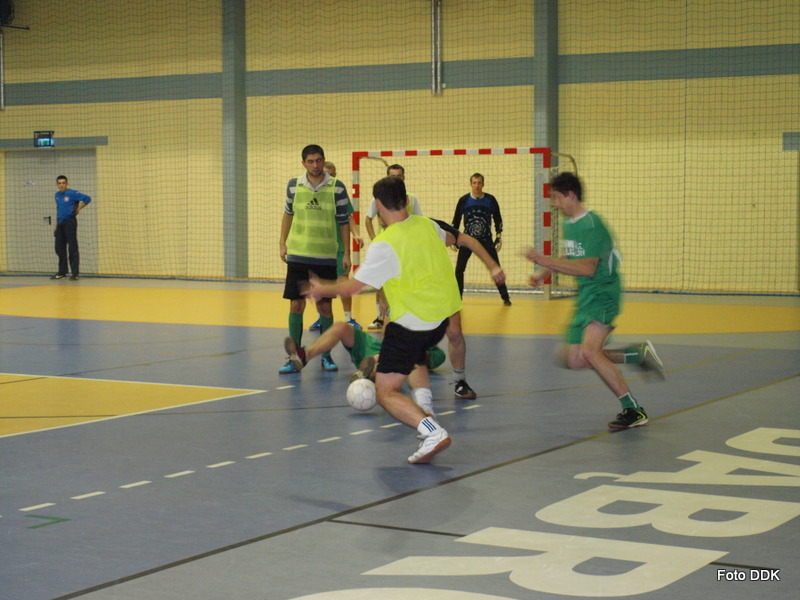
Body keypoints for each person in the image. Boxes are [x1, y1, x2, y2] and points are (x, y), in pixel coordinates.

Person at [304, 175, 505, 464]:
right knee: (416, 359)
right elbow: (460, 239)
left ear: (377, 205)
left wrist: (322, 288)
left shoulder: (385, 244)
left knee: (386, 392)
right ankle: (427, 411)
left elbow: (351, 288)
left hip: (412, 323)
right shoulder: (429, 225)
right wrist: (493, 266)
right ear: (407, 200)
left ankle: (431, 431)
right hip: (440, 319)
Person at [526, 172, 665, 430]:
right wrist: (543, 272)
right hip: (586, 296)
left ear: (571, 195)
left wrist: (545, 260)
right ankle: (636, 354)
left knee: (590, 352)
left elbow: (588, 268)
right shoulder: (570, 224)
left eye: (557, 198)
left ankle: (633, 409)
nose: (555, 204)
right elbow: (571, 255)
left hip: (603, 293)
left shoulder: (594, 225)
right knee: (575, 360)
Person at [279, 145, 351, 374]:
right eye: (310, 161)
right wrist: (282, 243)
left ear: (323, 160)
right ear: (303, 163)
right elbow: (288, 214)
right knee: (296, 305)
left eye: (319, 160)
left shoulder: (337, 187)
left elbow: (344, 222)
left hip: (325, 256)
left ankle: (326, 356)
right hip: (298, 254)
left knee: (325, 308)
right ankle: (293, 357)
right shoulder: (293, 185)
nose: (315, 165)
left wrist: (346, 253)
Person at [284, 322, 446, 386]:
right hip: (374, 347)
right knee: (341, 327)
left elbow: (422, 358)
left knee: (389, 359)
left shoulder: (436, 353)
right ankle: (305, 355)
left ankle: (368, 373)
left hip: (393, 357)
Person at [363, 164, 423, 330]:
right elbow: (368, 219)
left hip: (405, 248)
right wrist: (374, 239)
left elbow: (420, 221)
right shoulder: (378, 198)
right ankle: (380, 317)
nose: (395, 179)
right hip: (386, 247)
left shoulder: (411, 199)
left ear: (404, 178)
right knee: (381, 283)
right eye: (392, 176)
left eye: (399, 176)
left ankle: (407, 316)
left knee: (405, 282)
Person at [308, 161, 364, 332]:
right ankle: (321, 317)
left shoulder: (339, 190)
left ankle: (348, 318)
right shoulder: (312, 193)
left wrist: (356, 234)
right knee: (320, 283)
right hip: (320, 246)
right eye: (326, 173)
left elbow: (348, 216)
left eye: (331, 174)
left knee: (343, 281)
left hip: (339, 246)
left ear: (335, 174)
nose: (329, 176)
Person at [452, 173, 511, 305]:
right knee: (459, 269)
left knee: (496, 268)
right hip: (467, 239)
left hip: (486, 239)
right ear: (470, 184)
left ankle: (506, 298)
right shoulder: (463, 200)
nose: (477, 185)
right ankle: (457, 298)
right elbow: (456, 219)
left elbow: (498, 219)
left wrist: (499, 235)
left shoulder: (490, 200)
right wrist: (454, 237)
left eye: (479, 183)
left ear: (483, 184)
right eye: (474, 183)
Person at [51, 175, 91, 281]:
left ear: (67, 184)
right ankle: (62, 272)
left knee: (72, 247)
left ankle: (75, 273)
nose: (61, 185)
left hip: (70, 222)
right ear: (57, 184)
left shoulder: (72, 193)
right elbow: (59, 210)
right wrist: (56, 225)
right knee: (59, 248)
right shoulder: (57, 195)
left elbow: (87, 199)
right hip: (60, 223)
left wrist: (79, 207)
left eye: (63, 183)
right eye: (59, 183)